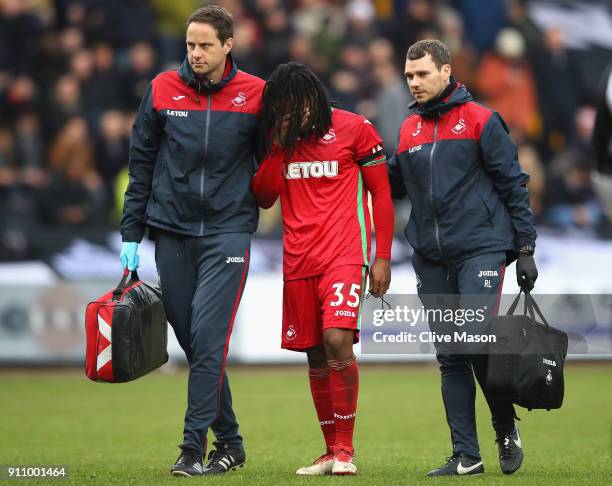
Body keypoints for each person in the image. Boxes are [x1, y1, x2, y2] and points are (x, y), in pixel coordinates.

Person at [119, 5, 265, 477]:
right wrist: (131, 235)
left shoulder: (256, 94)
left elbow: (273, 165)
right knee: (192, 340)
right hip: (172, 231)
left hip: (228, 231)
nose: (196, 53)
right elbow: (140, 164)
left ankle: (190, 448)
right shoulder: (162, 89)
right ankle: (232, 443)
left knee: (207, 338)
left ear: (228, 46)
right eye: (189, 45)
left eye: (205, 45)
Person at [387, 40, 538, 477]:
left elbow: (513, 184)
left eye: (422, 74)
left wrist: (525, 249)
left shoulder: (482, 120)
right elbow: (395, 184)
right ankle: (466, 456)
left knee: (475, 339)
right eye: (409, 76)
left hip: (481, 248)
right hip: (430, 256)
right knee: (451, 354)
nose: (413, 83)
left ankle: (505, 424)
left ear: (447, 71)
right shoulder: (408, 129)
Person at [251, 62, 394, 476]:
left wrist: (381, 256)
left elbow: (381, 193)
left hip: (344, 255)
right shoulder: (281, 141)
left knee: (336, 340)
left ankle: (346, 451)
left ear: (314, 97)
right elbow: (262, 197)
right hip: (298, 260)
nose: (293, 115)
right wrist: (278, 148)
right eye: (284, 110)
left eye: (297, 107)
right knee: (315, 354)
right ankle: (330, 450)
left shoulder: (355, 129)